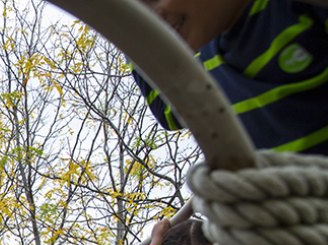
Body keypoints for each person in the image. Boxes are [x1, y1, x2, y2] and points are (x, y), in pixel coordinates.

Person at [132, 0, 328, 155]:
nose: (152, 17)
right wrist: (125, 30)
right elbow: (167, 108)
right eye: (138, 14)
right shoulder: (204, 70)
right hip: (286, 199)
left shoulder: (294, 8)